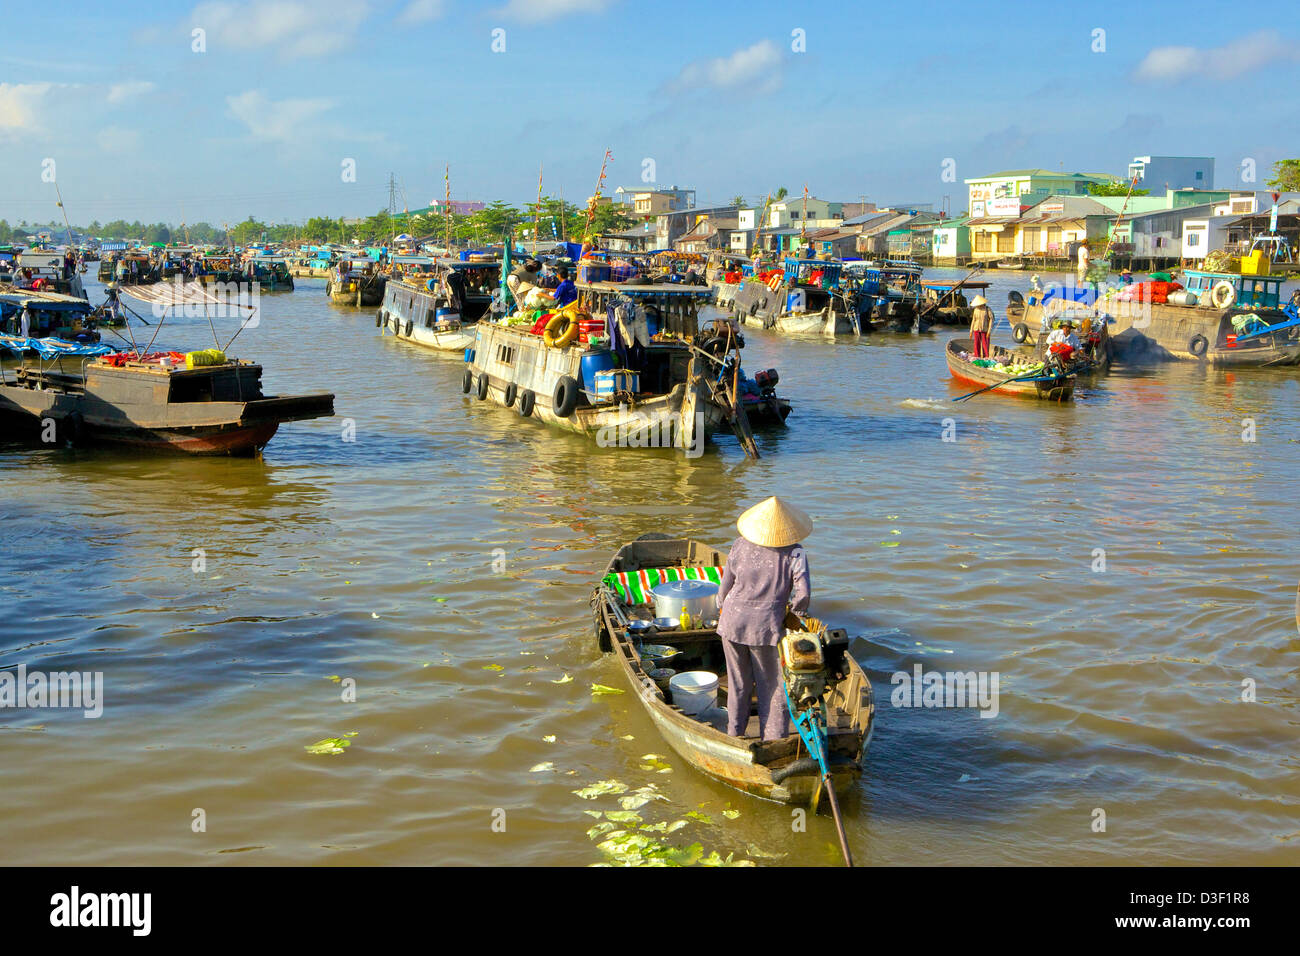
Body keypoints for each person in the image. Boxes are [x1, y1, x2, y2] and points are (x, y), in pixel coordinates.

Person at [715, 497, 813, 742]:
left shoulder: (739, 544)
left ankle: (734, 735)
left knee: (738, 683)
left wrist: (721, 608)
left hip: (731, 621)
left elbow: (724, 588)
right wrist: (795, 615)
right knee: (772, 685)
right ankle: (773, 740)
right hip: (766, 628)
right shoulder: (795, 552)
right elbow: (803, 594)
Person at [969, 294, 993, 358]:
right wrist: (971, 331)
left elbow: (991, 319)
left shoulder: (987, 309)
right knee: (976, 344)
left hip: (985, 329)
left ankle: (986, 357)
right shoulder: (976, 310)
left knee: (985, 344)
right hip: (976, 329)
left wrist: (989, 331)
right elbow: (973, 320)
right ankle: (977, 357)